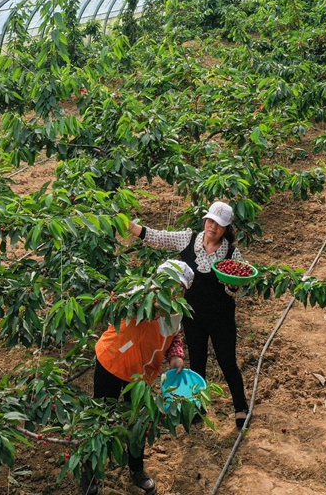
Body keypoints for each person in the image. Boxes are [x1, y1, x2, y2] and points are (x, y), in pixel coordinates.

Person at [128, 201, 249, 430]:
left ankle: (240, 406)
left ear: (226, 228)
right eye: (210, 221)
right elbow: (159, 238)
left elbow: (235, 288)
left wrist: (231, 285)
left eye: (219, 224)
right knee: (197, 361)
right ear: (205, 220)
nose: (213, 227)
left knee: (227, 362)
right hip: (193, 317)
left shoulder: (232, 254)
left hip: (221, 318)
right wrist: (131, 227)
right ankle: (198, 406)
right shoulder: (188, 239)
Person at [84, 260, 195, 495]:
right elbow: (117, 305)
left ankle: (136, 469)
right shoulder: (138, 298)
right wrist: (147, 301)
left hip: (141, 375)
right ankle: (90, 471)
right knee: (101, 416)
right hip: (112, 362)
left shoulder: (176, 312)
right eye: (166, 284)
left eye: (179, 288)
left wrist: (176, 356)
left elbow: (174, 336)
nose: (172, 291)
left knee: (138, 422)